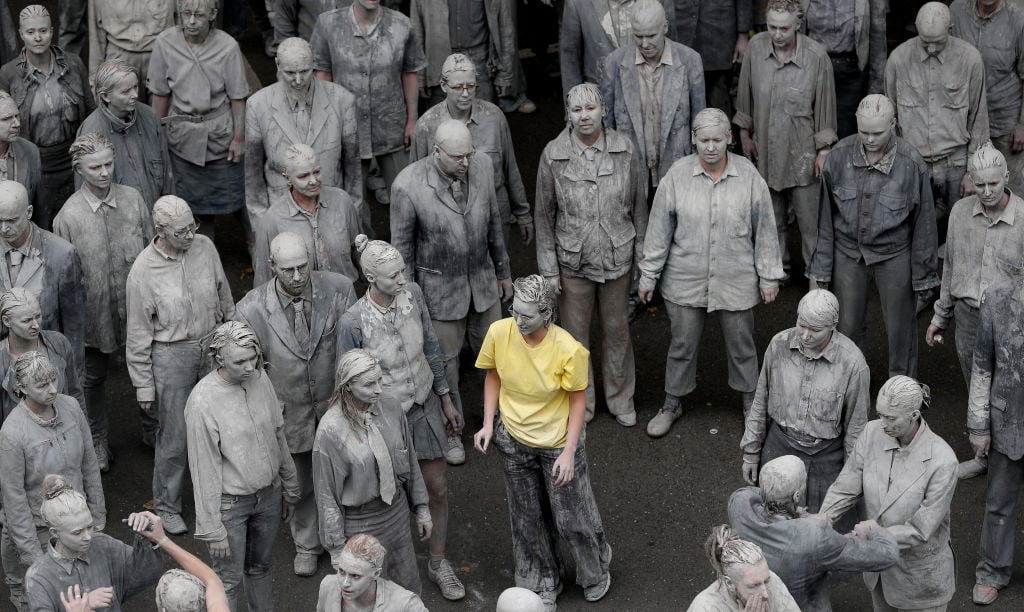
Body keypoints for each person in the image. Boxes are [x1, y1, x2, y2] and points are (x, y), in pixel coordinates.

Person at [639, 108, 784, 438]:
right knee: (682, 344)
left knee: (742, 345)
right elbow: (659, 230)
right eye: (703, 140)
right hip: (684, 278)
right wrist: (649, 274)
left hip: (736, 278)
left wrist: (768, 275)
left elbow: (765, 230)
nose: (710, 147)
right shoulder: (676, 176)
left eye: (718, 139)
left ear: (730, 139)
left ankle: (751, 403)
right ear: (693, 139)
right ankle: (672, 403)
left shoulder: (748, 176)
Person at [473, 274, 612, 611]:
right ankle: (542, 580)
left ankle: (596, 569)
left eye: (526, 315)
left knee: (571, 516)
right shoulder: (499, 332)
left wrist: (568, 451)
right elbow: (493, 374)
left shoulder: (568, 349)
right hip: (514, 439)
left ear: (547, 313)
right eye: (514, 311)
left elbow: (578, 401)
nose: (517, 320)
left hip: (557, 442)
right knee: (526, 517)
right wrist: (488, 423)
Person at [339, 235, 465, 600]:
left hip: (424, 402)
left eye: (402, 272)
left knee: (437, 487)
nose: (402, 279)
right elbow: (347, 381)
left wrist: (445, 398)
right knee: (388, 500)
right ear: (370, 277)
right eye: (392, 275)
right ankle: (385, 577)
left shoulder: (413, 294)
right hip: (383, 418)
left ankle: (438, 562)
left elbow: (430, 344)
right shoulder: (353, 322)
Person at [235, 231, 357, 577]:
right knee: (299, 483)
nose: (297, 276)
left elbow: (355, 347)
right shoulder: (250, 309)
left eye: (302, 266)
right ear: (272, 266)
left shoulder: (339, 288)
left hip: (337, 404)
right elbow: (249, 375)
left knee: (342, 477)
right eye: (287, 269)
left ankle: (343, 542)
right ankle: (307, 544)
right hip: (290, 412)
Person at [391, 119, 512, 464]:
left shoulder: (483, 166)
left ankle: (499, 420)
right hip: (438, 292)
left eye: (469, 154)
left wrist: (503, 271)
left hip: (482, 282)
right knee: (444, 367)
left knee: (497, 357)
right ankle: (451, 430)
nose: (466, 163)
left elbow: (494, 226)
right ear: (436, 153)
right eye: (457, 157)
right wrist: (408, 301)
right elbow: (402, 252)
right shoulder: (407, 186)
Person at [536, 82, 647, 427]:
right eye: (577, 110)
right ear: (568, 115)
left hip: (617, 258)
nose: (584, 117)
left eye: (591, 109)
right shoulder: (553, 154)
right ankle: (580, 405)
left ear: (604, 111)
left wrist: (644, 261)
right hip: (573, 262)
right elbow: (544, 215)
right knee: (573, 337)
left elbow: (640, 207)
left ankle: (620, 399)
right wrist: (549, 270)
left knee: (617, 331)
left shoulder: (625, 149)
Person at [808, 94, 939, 379]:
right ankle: (852, 384)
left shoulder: (911, 163)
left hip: (894, 253)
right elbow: (825, 220)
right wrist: (822, 269)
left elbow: (925, 225)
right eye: (863, 131)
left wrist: (924, 276)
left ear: (893, 124)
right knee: (848, 326)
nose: (869, 139)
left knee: (901, 329)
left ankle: (902, 390)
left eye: (877, 133)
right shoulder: (838, 157)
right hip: (847, 252)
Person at [126, 195, 234, 535]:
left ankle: (222, 496)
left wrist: (235, 335)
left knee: (222, 425)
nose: (190, 235)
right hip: (172, 354)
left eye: (193, 226)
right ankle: (167, 506)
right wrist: (143, 384)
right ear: (160, 231)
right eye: (181, 230)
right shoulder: (143, 271)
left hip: (213, 343)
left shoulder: (205, 248)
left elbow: (225, 295)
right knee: (174, 436)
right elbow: (138, 332)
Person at [185, 321, 302, 612]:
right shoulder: (202, 402)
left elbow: (278, 434)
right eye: (241, 361)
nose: (251, 366)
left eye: (254, 357)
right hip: (230, 506)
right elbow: (203, 470)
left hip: (269, 496)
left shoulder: (260, 378)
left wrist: (290, 485)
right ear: (219, 359)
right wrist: (213, 528)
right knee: (228, 581)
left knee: (260, 568)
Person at [54, 132, 153, 472]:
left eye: (108, 164)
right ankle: (97, 438)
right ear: (80, 170)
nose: (104, 172)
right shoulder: (68, 217)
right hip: (93, 317)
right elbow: (64, 280)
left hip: (136, 309)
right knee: (92, 379)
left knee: (145, 367)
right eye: (94, 167)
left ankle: (153, 427)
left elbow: (152, 253)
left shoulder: (134, 199)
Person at [926, 144, 1024, 481]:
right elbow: (951, 268)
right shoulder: (959, 214)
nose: (986, 192)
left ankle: (1011, 459)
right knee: (976, 389)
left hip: (1012, 325)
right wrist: (941, 316)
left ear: (1006, 178)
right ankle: (983, 457)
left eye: (993, 184)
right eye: (979, 185)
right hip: (969, 317)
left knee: (1012, 393)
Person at [820, 376, 957, 612]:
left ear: (914, 415)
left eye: (891, 418)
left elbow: (921, 530)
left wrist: (874, 533)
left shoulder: (943, 461)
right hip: (880, 574)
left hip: (919, 579)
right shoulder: (872, 432)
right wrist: (823, 518)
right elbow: (846, 486)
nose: (882, 423)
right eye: (880, 414)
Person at [312, 349, 433, 595]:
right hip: (360, 524)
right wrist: (336, 550)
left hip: (396, 513)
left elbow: (409, 460)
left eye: (380, 380)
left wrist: (421, 507)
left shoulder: (390, 406)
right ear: (347, 386)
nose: (378, 389)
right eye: (369, 384)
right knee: (367, 596)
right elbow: (326, 495)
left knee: (406, 590)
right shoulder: (330, 430)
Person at [740, 289, 869, 518]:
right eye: (802, 324)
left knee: (824, 529)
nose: (806, 335)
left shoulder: (853, 364)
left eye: (816, 330)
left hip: (827, 457)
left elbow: (856, 428)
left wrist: (852, 479)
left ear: (833, 326)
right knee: (774, 525)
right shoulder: (778, 345)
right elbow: (760, 400)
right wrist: (751, 453)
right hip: (779, 446)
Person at [734, 0, 837, 282]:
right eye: (772, 27)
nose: (777, 34)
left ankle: (817, 276)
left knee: (810, 223)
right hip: (766, 147)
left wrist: (824, 150)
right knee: (772, 217)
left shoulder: (817, 57)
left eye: (784, 28)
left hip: (802, 152)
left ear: (798, 26)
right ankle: (778, 269)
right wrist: (745, 134)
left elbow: (825, 109)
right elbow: (746, 96)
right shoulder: (756, 49)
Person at [0, 352, 104, 611]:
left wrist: (97, 518)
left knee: (82, 593)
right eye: (42, 384)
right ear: (21, 388)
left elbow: (90, 465)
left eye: (53, 380)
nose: (53, 389)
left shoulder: (71, 407)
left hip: (75, 520)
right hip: (41, 530)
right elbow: (14, 500)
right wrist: (34, 555)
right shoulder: (13, 433)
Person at [728, 455, 899, 611]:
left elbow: (767, 495)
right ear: (797, 496)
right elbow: (888, 555)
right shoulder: (815, 536)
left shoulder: (739, 502)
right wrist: (873, 530)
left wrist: (804, 516)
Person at [148, 0, 251, 240]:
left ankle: (252, 237)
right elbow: (160, 94)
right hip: (182, 136)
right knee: (194, 202)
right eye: (186, 14)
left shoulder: (228, 46)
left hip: (220, 135)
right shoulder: (165, 43)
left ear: (213, 15)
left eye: (199, 15)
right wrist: (157, 135)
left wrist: (238, 137)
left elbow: (238, 97)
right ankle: (206, 246)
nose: (191, 21)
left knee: (236, 194)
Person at [310, 0, 426, 206]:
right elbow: (323, 74)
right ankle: (359, 238)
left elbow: (410, 72)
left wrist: (412, 119)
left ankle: (401, 239)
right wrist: (325, 122)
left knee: (406, 196)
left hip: (392, 127)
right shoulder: (329, 24)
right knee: (352, 204)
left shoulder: (401, 25)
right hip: (347, 127)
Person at [410, 53, 533, 247]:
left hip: (494, 210)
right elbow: (415, 186)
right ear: (443, 86)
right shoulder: (426, 127)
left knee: (498, 271)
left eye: (471, 86)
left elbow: (511, 168)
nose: (466, 93)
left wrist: (523, 213)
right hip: (447, 216)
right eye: (458, 87)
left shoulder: (494, 117)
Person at [885, 2, 988, 233]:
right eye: (925, 42)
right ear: (916, 29)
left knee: (963, 230)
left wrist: (973, 173)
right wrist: (895, 169)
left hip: (956, 163)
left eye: (938, 43)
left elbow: (979, 121)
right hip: (913, 163)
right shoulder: (898, 59)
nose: (931, 49)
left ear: (950, 29)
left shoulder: (970, 59)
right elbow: (889, 121)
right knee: (914, 232)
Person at [0, 5, 94, 229]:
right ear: (21, 34)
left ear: (52, 31)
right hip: (33, 162)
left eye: (43, 31)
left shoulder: (73, 64)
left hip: (73, 159)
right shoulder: (9, 73)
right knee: (39, 222)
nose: (38, 37)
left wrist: (87, 154)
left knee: (77, 222)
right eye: (30, 32)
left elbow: (90, 111)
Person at [245, 37, 361, 218]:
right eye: (290, 73)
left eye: (305, 71)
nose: (298, 80)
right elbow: (253, 174)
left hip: (331, 209)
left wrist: (352, 212)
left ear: (314, 62)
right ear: (277, 65)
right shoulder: (257, 105)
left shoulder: (342, 100)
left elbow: (353, 168)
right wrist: (261, 221)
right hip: (281, 212)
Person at [602, 0, 706, 198]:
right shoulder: (615, 62)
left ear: (665, 27)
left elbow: (699, 123)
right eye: (638, 36)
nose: (644, 44)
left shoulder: (690, 60)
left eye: (651, 35)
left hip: (676, 167)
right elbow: (606, 125)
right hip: (631, 169)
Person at [966, 265, 1024, 605]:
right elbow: (982, 363)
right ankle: (991, 571)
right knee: (999, 503)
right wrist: (978, 423)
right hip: (1009, 422)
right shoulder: (998, 296)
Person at [26, 476, 165, 611]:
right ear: (55, 533)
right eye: (77, 532)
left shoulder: (102, 545)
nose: (88, 537)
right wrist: (84, 606)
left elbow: (145, 572)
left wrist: (147, 537)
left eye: (89, 526)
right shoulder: (39, 578)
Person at [0, 180, 85, 368]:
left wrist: (73, 375)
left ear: (29, 212)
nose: (4, 229)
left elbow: (74, 327)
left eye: (12, 220)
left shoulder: (61, 255)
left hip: (45, 370)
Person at [252, 144, 364, 286]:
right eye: (303, 176)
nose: (313, 181)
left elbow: (357, 250)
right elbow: (264, 278)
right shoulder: (271, 221)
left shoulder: (342, 201)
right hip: (302, 302)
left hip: (347, 296)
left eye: (316, 172)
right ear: (287, 179)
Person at [951, 0, 1024, 197]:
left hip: (1004, 124)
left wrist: (1022, 123)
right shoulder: (957, 10)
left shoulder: (1018, 18)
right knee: (969, 192)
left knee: (1010, 192)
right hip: (963, 122)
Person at [76, 58, 172, 208]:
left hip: (156, 217)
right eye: (126, 91)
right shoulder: (90, 131)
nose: (134, 95)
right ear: (105, 96)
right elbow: (87, 200)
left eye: (135, 87)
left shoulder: (149, 117)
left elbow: (167, 175)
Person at [0, 288, 84, 431]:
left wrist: (83, 430)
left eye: (38, 316)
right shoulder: (2, 359)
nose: (36, 325)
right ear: (7, 321)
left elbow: (76, 393)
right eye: (26, 320)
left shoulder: (58, 343)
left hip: (65, 431)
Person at [804, 0, 887, 138]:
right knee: (811, 129)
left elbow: (878, 32)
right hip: (813, 66)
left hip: (851, 68)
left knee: (847, 133)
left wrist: (876, 87)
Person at [409, 0, 517, 106]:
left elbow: (505, 29)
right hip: (439, 62)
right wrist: (420, 77)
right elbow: (417, 32)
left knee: (484, 117)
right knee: (444, 120)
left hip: (480, 61)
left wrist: (505, 74)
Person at [559, 0, 673, 97]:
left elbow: (671, 49)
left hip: (652, 100)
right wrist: (572, 110)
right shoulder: (578, 2)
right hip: (599, 102)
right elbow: (570, 58)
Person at [686, 525, 799, 611]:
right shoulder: (705, 607)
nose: (765, 593)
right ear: (730, 584)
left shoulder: (772, 580)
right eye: (753, 586)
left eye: (766, 580)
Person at [672, 0, 751, 122]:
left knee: (719, 107)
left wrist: (743, 35)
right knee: (682, 109)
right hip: (681, 34)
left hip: (719, 39)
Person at [315, 533, 428, 612]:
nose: (344, 583)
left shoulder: (406, 604)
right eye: (341, 571)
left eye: (355, 576)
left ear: (376, 574)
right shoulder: (328, 586)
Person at [86, 0, 175, 87]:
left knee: (161, 99)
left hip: (159, 56)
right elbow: (96, 36)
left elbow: (180, 23)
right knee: (121, 98)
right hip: (118, 56)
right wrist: (94, 79)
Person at [0, 92, 41, 211]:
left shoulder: (30, 151)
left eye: (16, 116)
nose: (17, 124)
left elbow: (39, 207)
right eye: (6, 118)